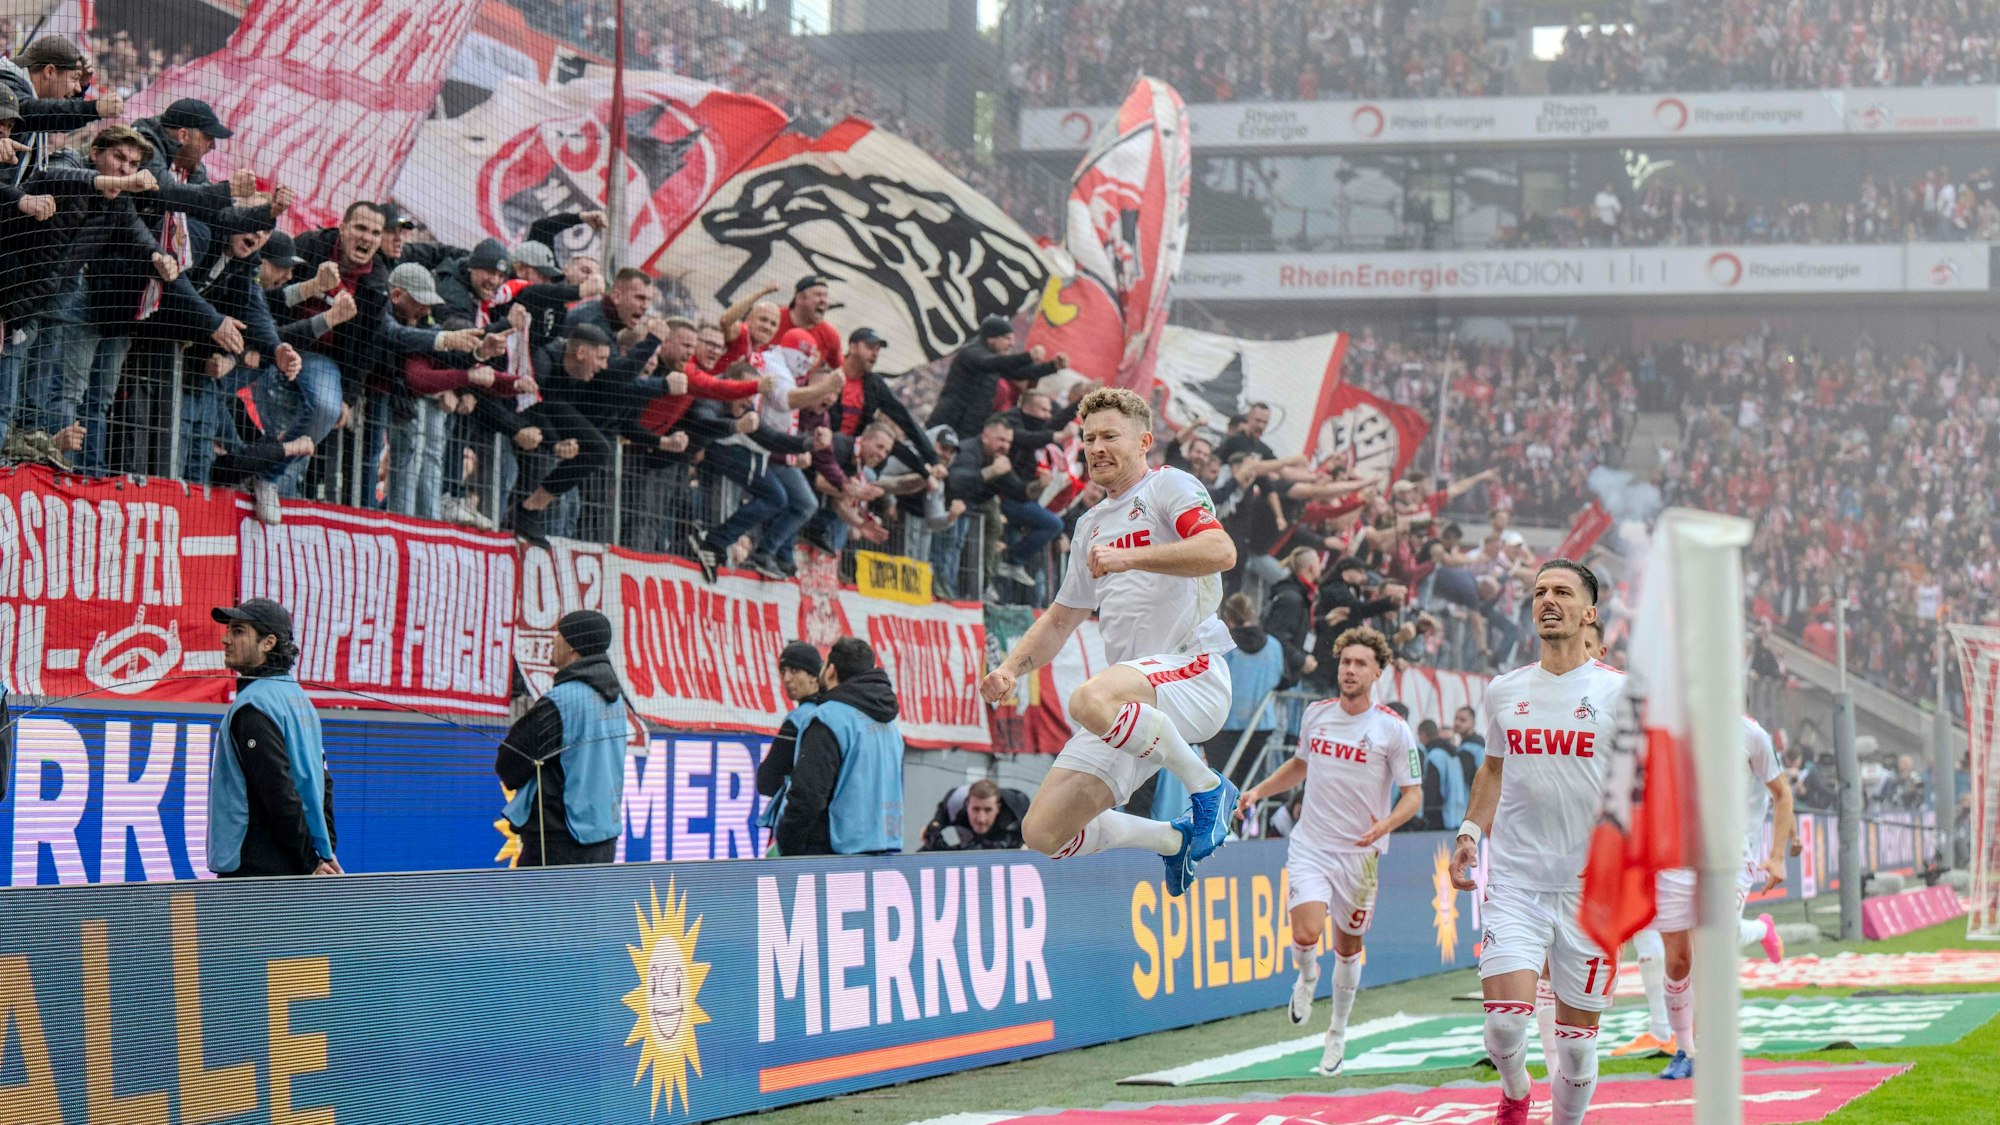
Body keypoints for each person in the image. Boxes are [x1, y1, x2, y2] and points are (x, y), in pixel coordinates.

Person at [978, 387, 1239, 897]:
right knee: (1044, 833)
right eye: (1089, 438)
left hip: (1193, 672)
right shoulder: (1089, 526)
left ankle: (1209, 789)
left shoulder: (1167, 486)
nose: (1096, 447)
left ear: (1144, 442)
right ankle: (1172, 840)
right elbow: (1060, 620)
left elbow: (1220, 550)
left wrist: (1129, 557)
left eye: (1109, 437)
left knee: (1088, 698)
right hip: (1132, 707)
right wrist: (1011, 668)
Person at [1449, 559, 1626, 1125]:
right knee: (1504, 1023)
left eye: (1563, 592)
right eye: (1540, 591)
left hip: (1591, 894)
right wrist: (1469, 832)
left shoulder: (1622, 695)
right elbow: (1493, 769)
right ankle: (1516, 1089)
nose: (1548, 600)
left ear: (1589, 612)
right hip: (1516, 882)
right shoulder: (1504, 691)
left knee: (1576, 1047)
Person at [1235, 626, 1421, 1075]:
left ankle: (1336, 1033)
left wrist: (1385, 825)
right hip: (1312, 845)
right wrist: (1258, 790)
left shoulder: (1393, 729)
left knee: (1348, 947)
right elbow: (1299, 765)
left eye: (1360, 664)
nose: (1350, 670)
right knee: (1305, 934)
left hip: (1360, 857)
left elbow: (1413, 794)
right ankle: (1306, 976)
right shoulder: (1316, 715)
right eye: (1345, 662)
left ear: (1377, 673)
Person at [1649, 714, 1796, 1080]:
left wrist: (1778, 853)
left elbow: (1781, 793)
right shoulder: (1665, 726)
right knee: (1677, 960)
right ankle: (1684, 1049)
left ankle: (1704, 1047)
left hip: (1730, 859)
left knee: (1713, 949)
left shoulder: (1750, 734)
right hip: (1675, 857)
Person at [206, 598, 339, 878]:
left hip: (256, 870)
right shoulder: (300, 700)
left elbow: (278, 793)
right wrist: (324, 852)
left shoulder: (253, 707)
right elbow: (323, 781)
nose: (225, 640)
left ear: (268, 643)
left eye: (238, 631)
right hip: (294, 862)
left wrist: (311, 863)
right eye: (228, 630)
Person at [496, 610, 630, 866]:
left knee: (540, 895)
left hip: (559, 838)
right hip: (603, 835)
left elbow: (508, 763)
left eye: (558, 635)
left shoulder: (562, 701)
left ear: (571, 645)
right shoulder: (616, 701)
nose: (554, 641)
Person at [777, 637, 904, 856]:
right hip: (886, 852)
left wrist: (788, 843)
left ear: (831, 671)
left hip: (835, 857)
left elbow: (807, 796)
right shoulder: (891, 727)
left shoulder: (828, 718)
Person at [927, 313, 1064, 439]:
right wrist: (1028, 356)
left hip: (971, 428)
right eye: (1007, 338)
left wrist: (1052, 366)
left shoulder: (997, 362)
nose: (1011, 344)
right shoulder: (971, 353)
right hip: (948, 421)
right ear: (991, 339)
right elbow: (991, 363)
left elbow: (1021, 373)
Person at [756, 641, 824, 854]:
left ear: (814, 675)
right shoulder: (840, 716)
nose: (786, 678)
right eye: (783, 671)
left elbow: (766, 781)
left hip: (795, 830)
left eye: (794, 670)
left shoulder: (798, 720)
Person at [1213, 592, 1284, 790]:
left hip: (1225, 723)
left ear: (1227, 617)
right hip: (1261, 723)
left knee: (1222, 783)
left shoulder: (1223, 647)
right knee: (1250, 784)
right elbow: (1279, 677)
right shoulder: (1274, 646)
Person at [921, 779, 1029, 851]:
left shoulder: (1017, 807)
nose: (981, 819)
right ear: (967, 804)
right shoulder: (954, 803)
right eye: (975, 809)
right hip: (969, 838)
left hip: (1004, 837)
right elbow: (936, 822)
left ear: (998, 808)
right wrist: (932, 829)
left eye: (988, 810)